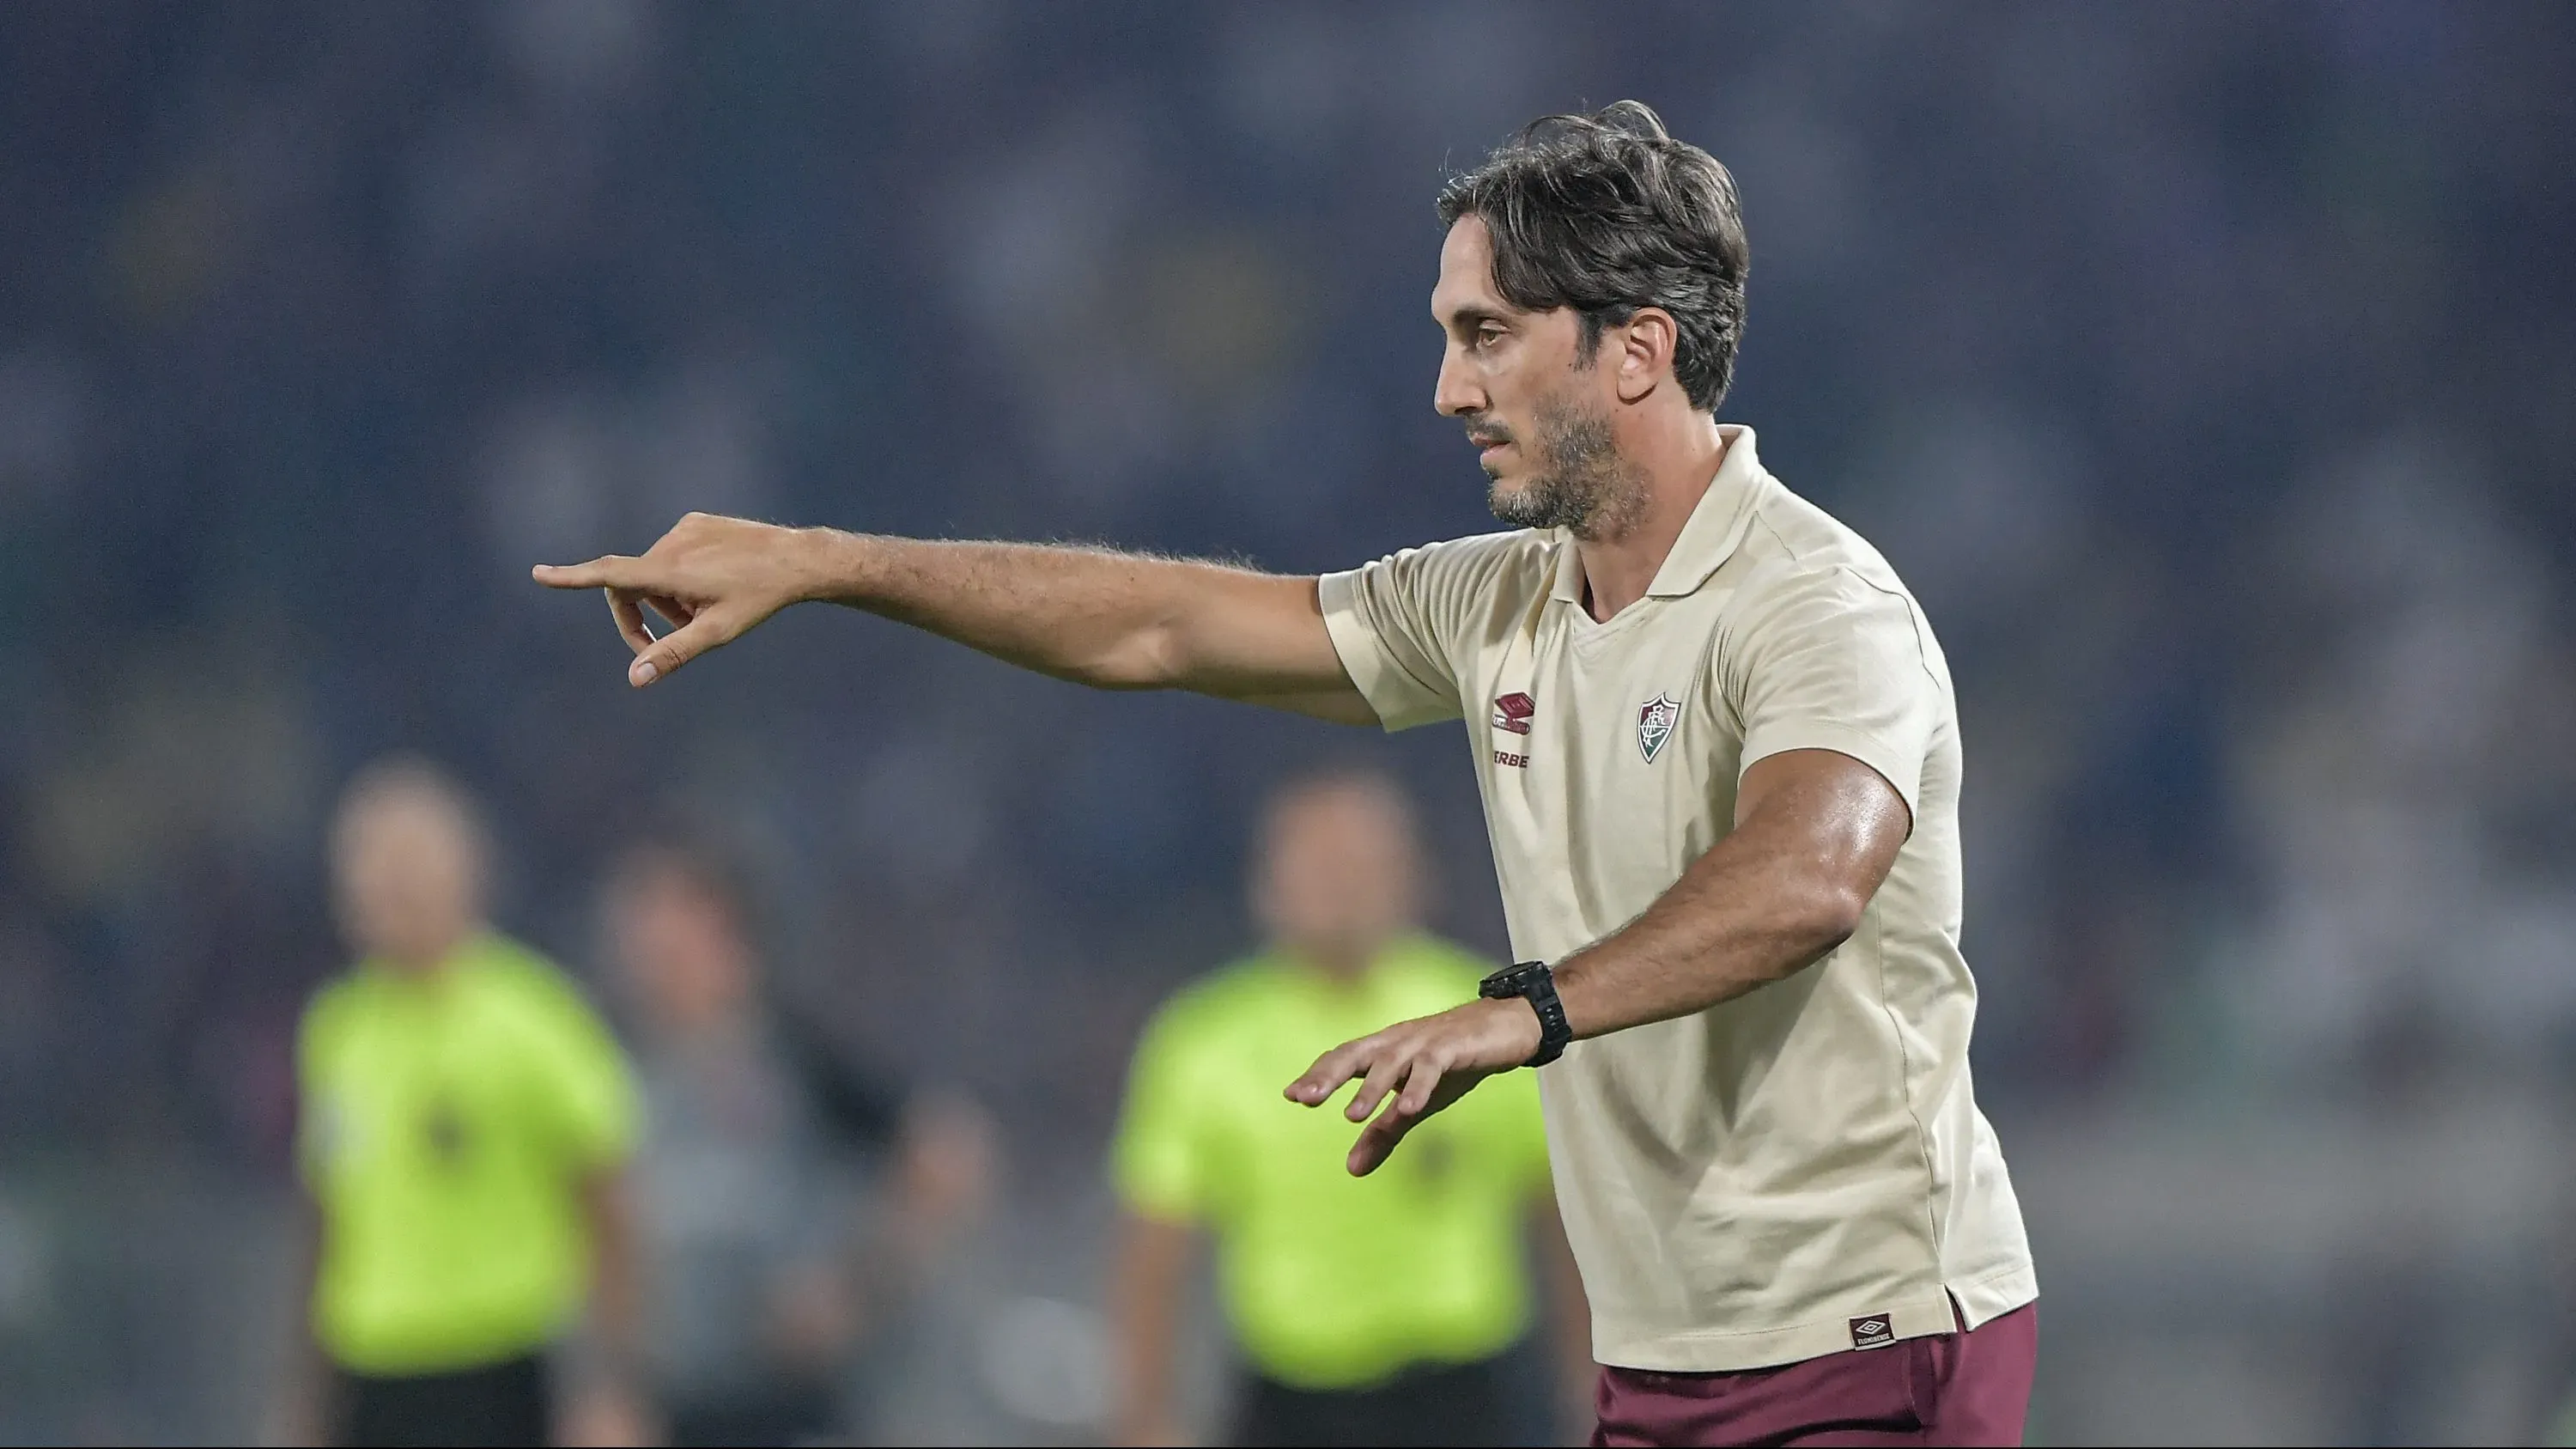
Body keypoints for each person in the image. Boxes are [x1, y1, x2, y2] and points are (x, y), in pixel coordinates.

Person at [535, 100, 2039, 1446]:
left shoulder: (1815, 601)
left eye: (1491, 334)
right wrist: (829, 563)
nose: (1451, 387)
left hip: (1865, 1337)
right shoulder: (1498, 601)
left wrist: (1524, 1011)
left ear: (1636, 348)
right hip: (1666, 1361)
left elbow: (1812, 872)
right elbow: (1163, 624)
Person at [1110, 770, 1589, 1447]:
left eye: (1360, 866)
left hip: (1469, 1390)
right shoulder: (1202, 1040)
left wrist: (1590, 1386)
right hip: (1296, 1393)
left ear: (1415, 876)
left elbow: (1562, 1214)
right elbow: (1154, 1251)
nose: (1339, 889)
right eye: (1315, 865)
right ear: (1267, 882)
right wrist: (1145, 1421)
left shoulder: (1482, 1021)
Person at [283, 758, 651, 1448]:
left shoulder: (536, 1020)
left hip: (500, 1363)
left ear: (465, 873)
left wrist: (611, 1388)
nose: (383, 885)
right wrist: (307, 1402)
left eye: (408, 864)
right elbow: (327, 1221)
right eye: (367, 867)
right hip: (373, 1366)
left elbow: (612, 1214)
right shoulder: (336, 1029)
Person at [599, 839, 993, 1447]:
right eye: (642, 929)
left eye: (674, 929)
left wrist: (858, 1286)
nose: (653, 950)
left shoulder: (795, 1059)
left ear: (731, 936)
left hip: (786, 1401)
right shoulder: (607, 1068)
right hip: (667, 1403)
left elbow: (949, 1153)